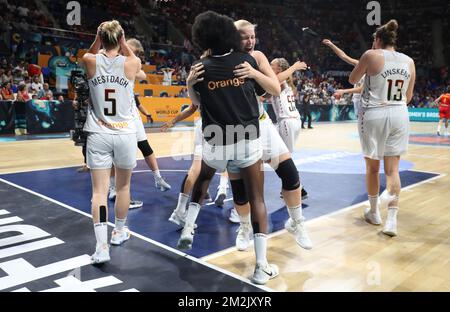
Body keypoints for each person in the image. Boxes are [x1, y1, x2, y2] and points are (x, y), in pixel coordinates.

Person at [177, 11, 281, 285]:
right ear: (230, 35)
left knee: (204, 179)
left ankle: (188, 227)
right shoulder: (246, 61)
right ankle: (261, 267)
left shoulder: (200, 68)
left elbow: (197, 104)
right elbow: (271, 92)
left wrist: (189, 84)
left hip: (215, 137)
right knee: (256, 199)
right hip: (246, 138)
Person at [230, 19, 312, 252]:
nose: (250, 41)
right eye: (245, 36)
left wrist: (254, 73)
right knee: (242, 189)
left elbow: (274, 88)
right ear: (233, 37)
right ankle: (245, 227)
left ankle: (297, 223)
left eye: (253, 36)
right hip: (237, 131)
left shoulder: (258, 57)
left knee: (290, 174)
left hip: (262, 125)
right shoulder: (221, 58)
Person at [82, 20, 141, 264]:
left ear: (101, 38)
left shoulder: (90, 60)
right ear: (120, 39)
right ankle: (118, 232)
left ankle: (102, 246)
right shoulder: (132, 63)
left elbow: (91, 51)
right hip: (126, 134)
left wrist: (98, 38)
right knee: (124, 188)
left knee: (99, 192)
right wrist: (123, 41)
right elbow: (129, 52)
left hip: (98, 134)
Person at [349, 20, 416, 237]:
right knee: (393, 170)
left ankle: (375, 212)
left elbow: (353, 79)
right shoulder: (409, 61)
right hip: (399, 113)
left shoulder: (371, 54)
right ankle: (392, 222)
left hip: (374, 113)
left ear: (378, 40)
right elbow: (409, 97)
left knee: (371, 167)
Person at [270, 58, 306, 152]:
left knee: (284, 155)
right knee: (271, 152)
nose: (268, 66)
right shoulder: (287, 83)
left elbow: (277, 79)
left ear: (279, 69)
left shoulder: (280, 81)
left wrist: (294, 67)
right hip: (292, 121)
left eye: (271, 65)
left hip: (287, 121)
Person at [322, 39, 365, 116]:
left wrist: (343, 91)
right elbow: (344, 56)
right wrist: (331, 45)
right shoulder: (359, 64)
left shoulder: (370, 71)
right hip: (357, 100)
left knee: (364, 125)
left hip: (365, 101)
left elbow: (362, 89)